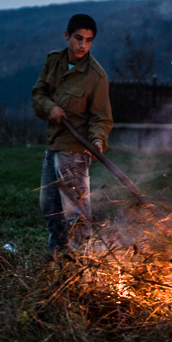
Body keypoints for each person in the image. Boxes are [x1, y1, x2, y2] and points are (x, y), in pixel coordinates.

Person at [31, 14, 113, 252]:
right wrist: (50, 108)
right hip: (54, 144)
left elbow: (102, 118)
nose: (83, 45)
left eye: (88, 40)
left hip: (76, 151)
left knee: (75, 211)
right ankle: (58, 256)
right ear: (67, 36)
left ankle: (81, 264)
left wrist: (98, 139)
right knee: (50, 207)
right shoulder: (54, 61)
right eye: (78, 38)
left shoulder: (96, 76)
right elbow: (38, 93)